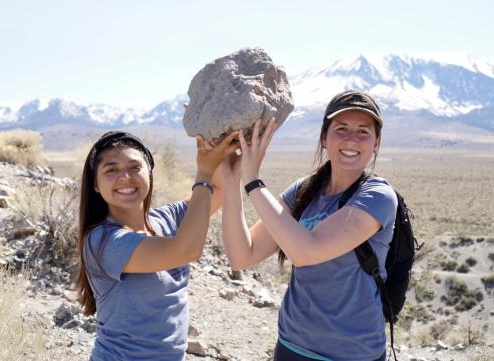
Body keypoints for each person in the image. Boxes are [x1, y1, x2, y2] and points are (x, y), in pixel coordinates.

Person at [220, 90, 397, 361]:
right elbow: (243, 255)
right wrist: (232, 177)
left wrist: (253, 179)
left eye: (363, 131)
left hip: (352, 354)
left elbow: (306, 252)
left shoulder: (377, 196)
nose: (352, 139)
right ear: (324, 138)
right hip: (292, 346)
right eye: (341, 128)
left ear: (376, 143)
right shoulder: (304, 191)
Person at [75, 130, 239, 361]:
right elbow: (186, 250)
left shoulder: (166, 219)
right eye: (111, 170)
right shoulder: (101, 241)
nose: (125, 177)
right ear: (95, 184)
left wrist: (214, 137)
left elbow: (218, 189)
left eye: (135, 167)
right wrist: (204, 172)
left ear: (150, 174)